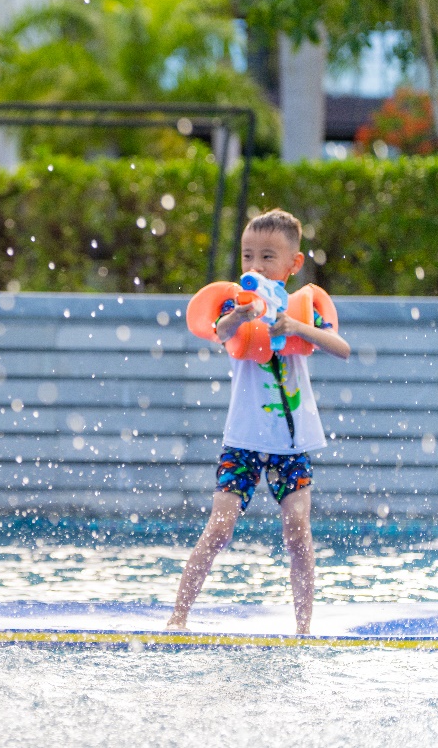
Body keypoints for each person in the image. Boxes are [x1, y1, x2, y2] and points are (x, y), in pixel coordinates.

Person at [167, 209, 350, 635]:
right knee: (220, 528)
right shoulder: (239, 305)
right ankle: (178, 616)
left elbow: (340, 348)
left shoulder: (301, 308)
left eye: (267, 257)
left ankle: (304, 627)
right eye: (248, 256)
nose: (254, 266)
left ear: (294, 264)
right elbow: (218, 331)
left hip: (291, 444)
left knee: (297, 530)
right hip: (244, 441)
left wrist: (297, 326)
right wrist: (243, 317)